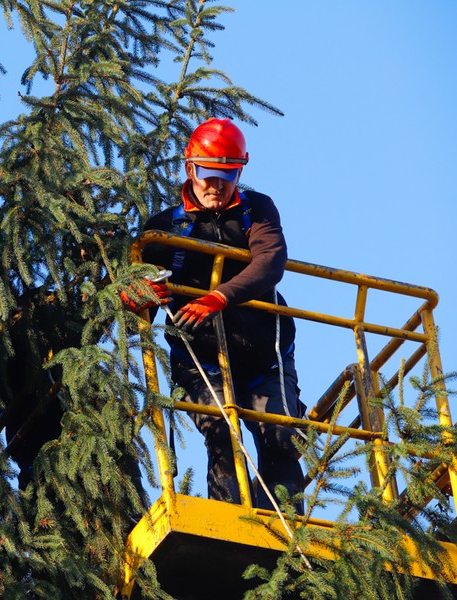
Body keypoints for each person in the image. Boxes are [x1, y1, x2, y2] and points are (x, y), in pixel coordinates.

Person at [125, 118, 304, 509]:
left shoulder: (256, 210)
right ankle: (231, 524)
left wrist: (219, 297)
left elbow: (270, 263)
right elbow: (135, 313)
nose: (217, 186)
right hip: (200, 360)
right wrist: (138, 298)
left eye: (228, 176)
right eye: (209, 174)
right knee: (222, 434)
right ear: (190, 168)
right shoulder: (165, 228)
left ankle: (290, 531)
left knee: (281, 438)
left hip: (265, 355)